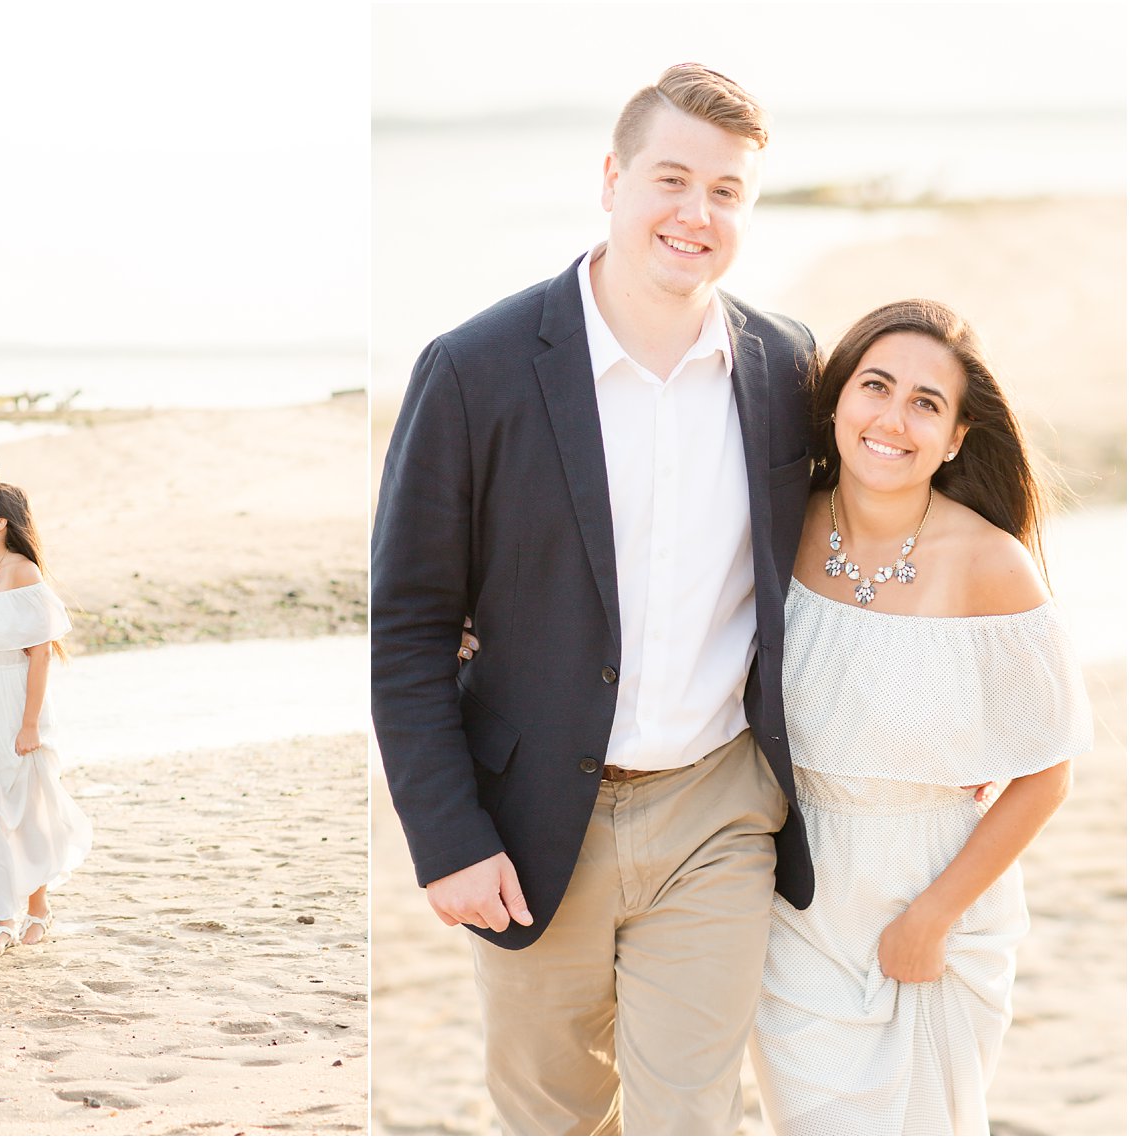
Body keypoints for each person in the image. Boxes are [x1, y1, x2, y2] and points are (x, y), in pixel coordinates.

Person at [371, 64, 818, 1134]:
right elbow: (410, 625)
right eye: (670, 178)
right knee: (552, 1113)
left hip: (716, 810)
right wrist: (447, 836)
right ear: (611, 178)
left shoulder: (783, 370)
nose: (693, 213)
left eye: (724, 191)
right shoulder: (473, 368)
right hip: (528, 827)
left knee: (690, 1112)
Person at [748, 299, 1093, 1135]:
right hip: (793, 907)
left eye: (926, 403)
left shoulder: (990, 564)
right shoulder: (776, 524)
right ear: (837, 401)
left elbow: (1047, 770)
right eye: (876, 386)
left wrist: (933, 915)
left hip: (934, 899)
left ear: (955, 439)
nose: (892, 419)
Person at [0, 482, 92, 959]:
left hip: (15, 698)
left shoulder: (22, 571)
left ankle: (38, 910)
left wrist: (29, 725)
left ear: (0, 521)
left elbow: (40, 655)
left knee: (25, 809)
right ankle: (5, 919)